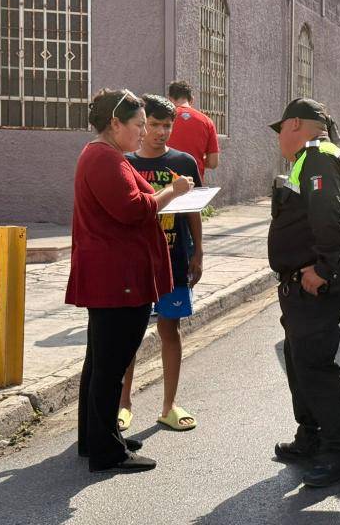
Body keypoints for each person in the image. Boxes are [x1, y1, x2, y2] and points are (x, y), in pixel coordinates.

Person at [66, 89, 194, 473]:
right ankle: (107, 452)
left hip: (115, 273)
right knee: (110, 363)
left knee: (102, 362)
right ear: (114, 124)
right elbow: (133, 209)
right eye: (138, 125)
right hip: (116, 277)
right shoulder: (103, 158)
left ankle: (97, 438)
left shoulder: (107, 156)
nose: (142, 132)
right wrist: (173, 192)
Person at [268, 98, 340, 487]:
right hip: (303, 285)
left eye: (281, 132)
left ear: (293, 125)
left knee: (316, 367)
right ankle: (310, 435)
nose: (279, 141)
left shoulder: (318, 157)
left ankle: (339, 450)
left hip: (315, 285)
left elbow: (331, 219)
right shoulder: (321, 156)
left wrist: (323, 269)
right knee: (299, 359)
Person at [118, 94, 203, 433]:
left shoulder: (184, 162)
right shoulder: (124, 163)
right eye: (153, 125)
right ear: (142, 124)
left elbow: (194, 209)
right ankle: (123, 404)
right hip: (135, 263)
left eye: (166, 126)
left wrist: (198, 252)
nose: (160, 132)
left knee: (170, 329)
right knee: (129, 334)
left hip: (174, 258)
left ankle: (168, 406)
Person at [166, 80, 220, 181]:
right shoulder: (207, 122)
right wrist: (194, 161)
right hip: (194, 181)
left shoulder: (162, 119)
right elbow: (213, 163)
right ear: (191, 100)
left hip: (165, 181)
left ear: (170, 99)